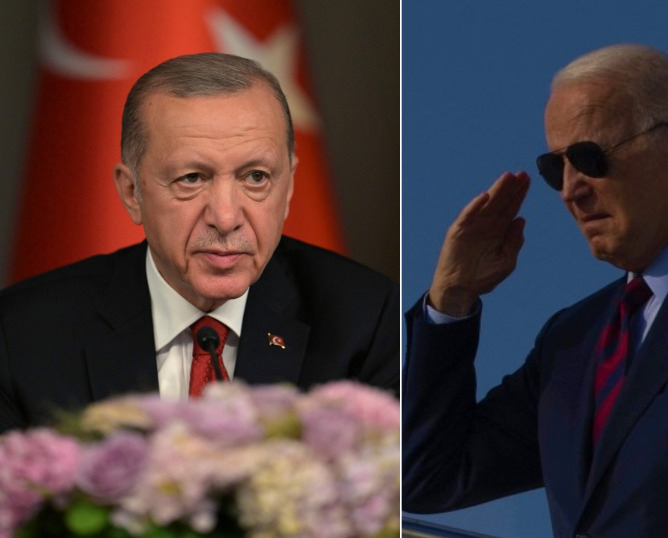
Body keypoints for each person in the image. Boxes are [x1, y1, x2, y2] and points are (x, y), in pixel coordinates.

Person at [402, 44, 668, 537]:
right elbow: (426, 479)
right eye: (555, 167)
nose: (570, 189)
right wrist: (451, 301)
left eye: (590, 158)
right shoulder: (571, 339)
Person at [0, 52, 398, 432]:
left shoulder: (368, 321)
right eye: (191, 178)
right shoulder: (22, 336)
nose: (226, 218)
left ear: (289, 185)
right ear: (132, 192)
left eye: (256, 177)